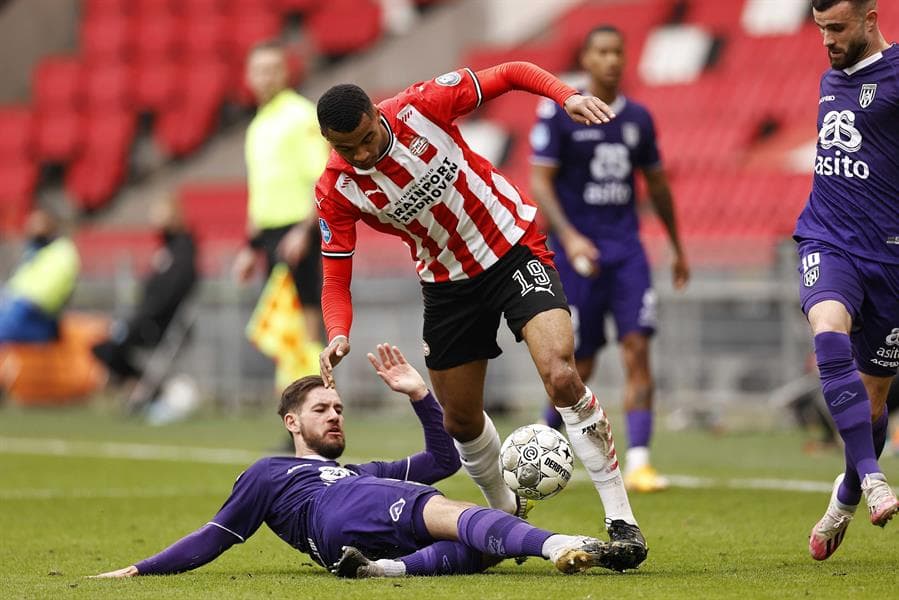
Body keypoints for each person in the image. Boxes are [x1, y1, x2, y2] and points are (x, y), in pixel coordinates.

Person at [314, 62, 646, 568]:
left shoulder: (422, 106)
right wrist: (339, 333)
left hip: (512, 247)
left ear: (376, 115)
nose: (360, 154)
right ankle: (506, 512)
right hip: (447, 285)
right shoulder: (335, 189)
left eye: (365, 139)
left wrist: (566, 96)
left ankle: (622, 522)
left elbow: (511, 72)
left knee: (561, 375)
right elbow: (335, 278)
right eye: (346, 148)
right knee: (460, 418)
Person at [91, 344, 631, 579]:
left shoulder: (359, 472)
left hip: (346, 535)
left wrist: (419, 394)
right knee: (458, 514)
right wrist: (141, 569)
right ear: (291, 423)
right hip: (339, 509)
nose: (334, 416)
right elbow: (216, 534)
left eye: (339, 409)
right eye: (321, 410)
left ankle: (385, 570)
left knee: (480, 546)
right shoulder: (271, 472)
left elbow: (442, 457)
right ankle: (559, 544)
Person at [530, 25, 689, 493]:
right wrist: (570, 237)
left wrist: (677, 246)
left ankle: (639, 462)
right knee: (577, 363)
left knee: (637, 348)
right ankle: (543, 440)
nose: (612, 60)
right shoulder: (560, 112)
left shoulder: (638, 118)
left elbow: (657, 185)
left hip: (626, 252)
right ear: (586, 58)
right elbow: (541, 182)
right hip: (578, 254)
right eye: (601, 52)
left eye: (618, 51)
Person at [797, 0, 899, 561]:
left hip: (889, 261)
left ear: (870, 19)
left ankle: (846, 496)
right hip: (827, 241)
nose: (827, 40)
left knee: (874, 401)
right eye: (820, 29)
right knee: (828, 329)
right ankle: (874, 477)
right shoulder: (829, 78)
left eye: (836, 28)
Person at [232, 40, 330, 353]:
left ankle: (316, 379)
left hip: (299, 229)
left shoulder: (301, 116)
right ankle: (293, 381)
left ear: (285, 73)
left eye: (272, 69)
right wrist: (251, 246)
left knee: (307, 311)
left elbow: (322, 178)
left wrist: (304, 230)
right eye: (259, 70)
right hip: (270, 234)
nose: (266, 77)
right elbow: (260, 189)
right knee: (281, 322)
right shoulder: (257, 125)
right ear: (248, 76)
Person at [92, 195, 198, 381]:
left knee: (109, 348)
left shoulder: (181, 253)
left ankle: (147, 386)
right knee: (102, 347)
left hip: (157, 324)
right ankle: (143, 385)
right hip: (145, 319)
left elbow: (166, 296)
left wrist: (138, 320)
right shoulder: (168, 251)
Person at [0, 208, 80, 343]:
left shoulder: (62, 251)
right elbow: (16, 284)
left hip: (39, 318)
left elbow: (43, 295)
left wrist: (16, 301)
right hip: (20, 312)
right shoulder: (35, 252)